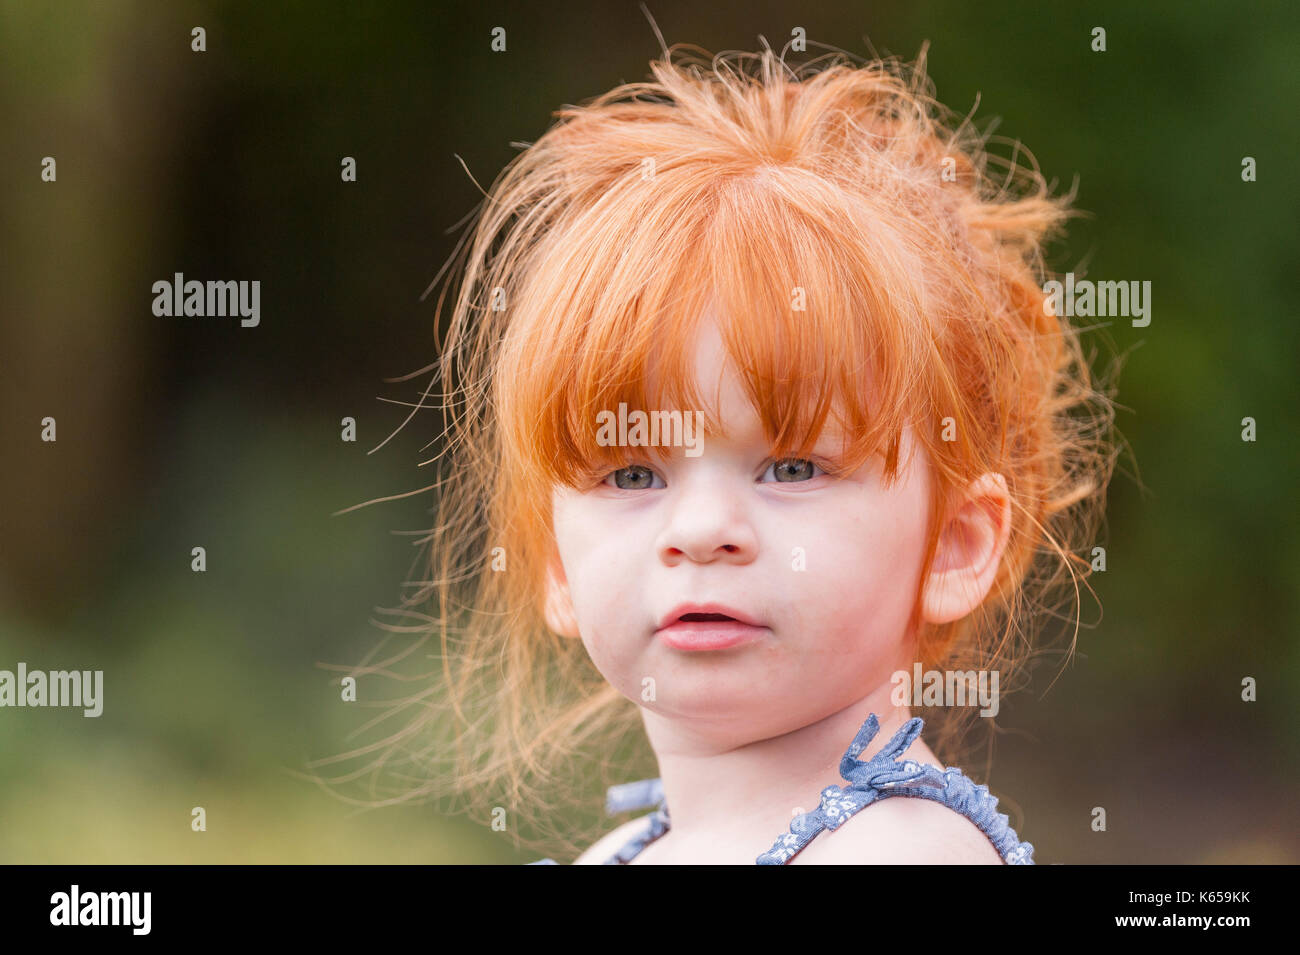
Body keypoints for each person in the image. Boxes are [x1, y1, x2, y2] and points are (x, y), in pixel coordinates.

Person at [373, 34, 1116, 865]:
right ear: (553, 562)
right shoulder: (619, 854)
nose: (700, 529)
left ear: (954, 542)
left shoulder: (900, 852)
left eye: (793, 467)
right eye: (630, 472)